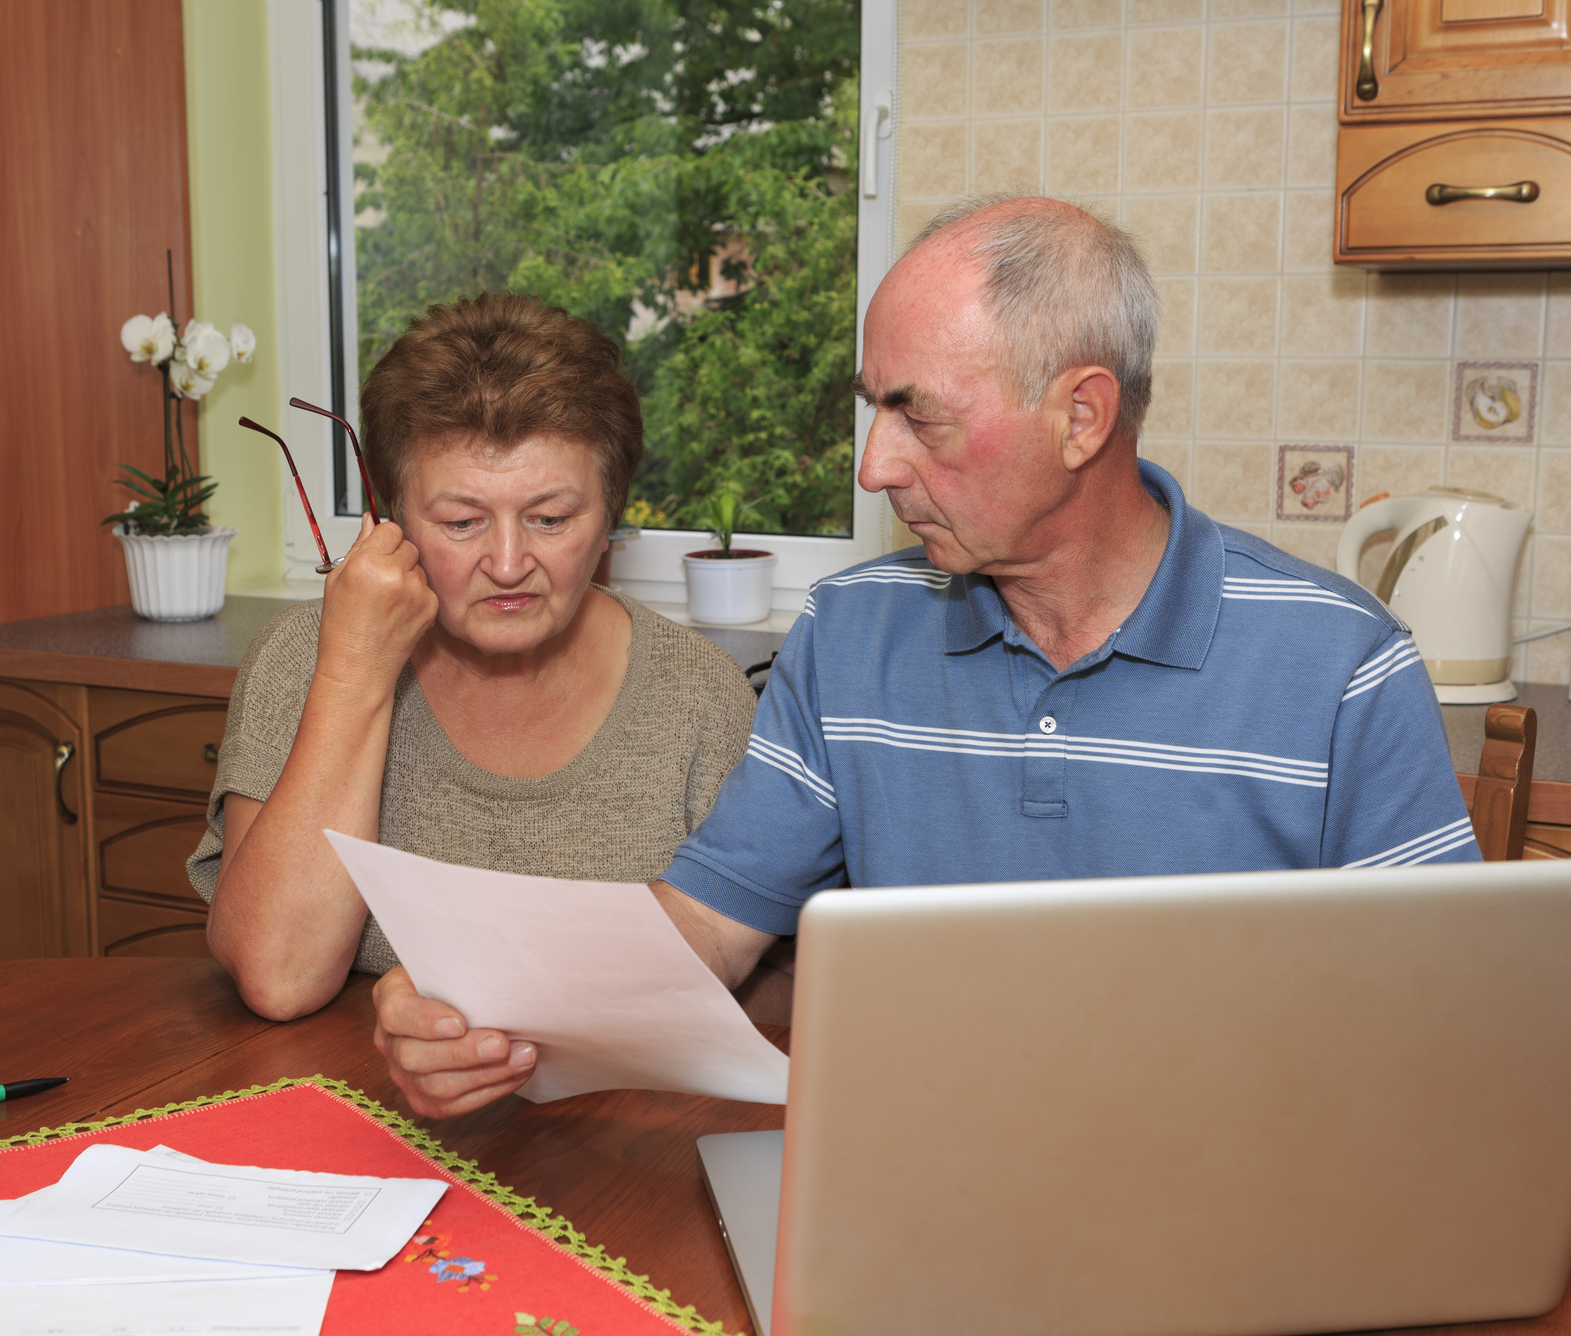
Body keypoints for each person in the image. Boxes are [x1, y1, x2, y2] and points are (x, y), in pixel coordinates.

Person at [374, 194, 1480, 1117]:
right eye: (873, 410)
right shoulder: (851, 634)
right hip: (918, 1186)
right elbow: (701, 933)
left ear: (1082, 416)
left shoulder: (1344, 664)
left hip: (1235, 1198)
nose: (874, 467)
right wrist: (477, 1002)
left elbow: (1445, 1035)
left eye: (917, 416)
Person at [190, 293, 758, 1024]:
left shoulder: (701, 697)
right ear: (391, 516)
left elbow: (752, 994)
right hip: (353, 1099)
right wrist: (356, 670)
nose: (509, 561)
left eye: (550, 519)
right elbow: (279, 975)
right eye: (461, 522)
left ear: (610, 511)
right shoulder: (305, 657)